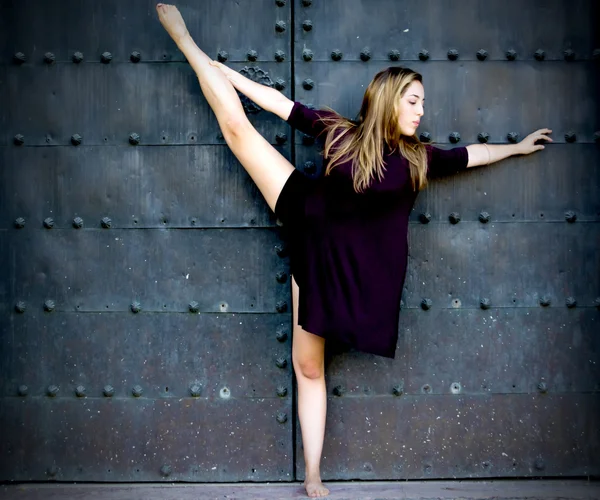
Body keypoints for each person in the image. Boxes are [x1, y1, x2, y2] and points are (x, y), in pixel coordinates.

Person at [156, 4, 552, 497]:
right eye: (413, 100)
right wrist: (222, 72)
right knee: (239, 130)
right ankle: (189, 46)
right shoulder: (338, 131)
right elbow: (278, 103)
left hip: (341, 265)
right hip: (304, 214)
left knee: (309, 366)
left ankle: (312, 474)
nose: (421, 111)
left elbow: (474, 155)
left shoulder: (418, 159)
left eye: (422, 102)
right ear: (388, 99)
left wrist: (515, 147)